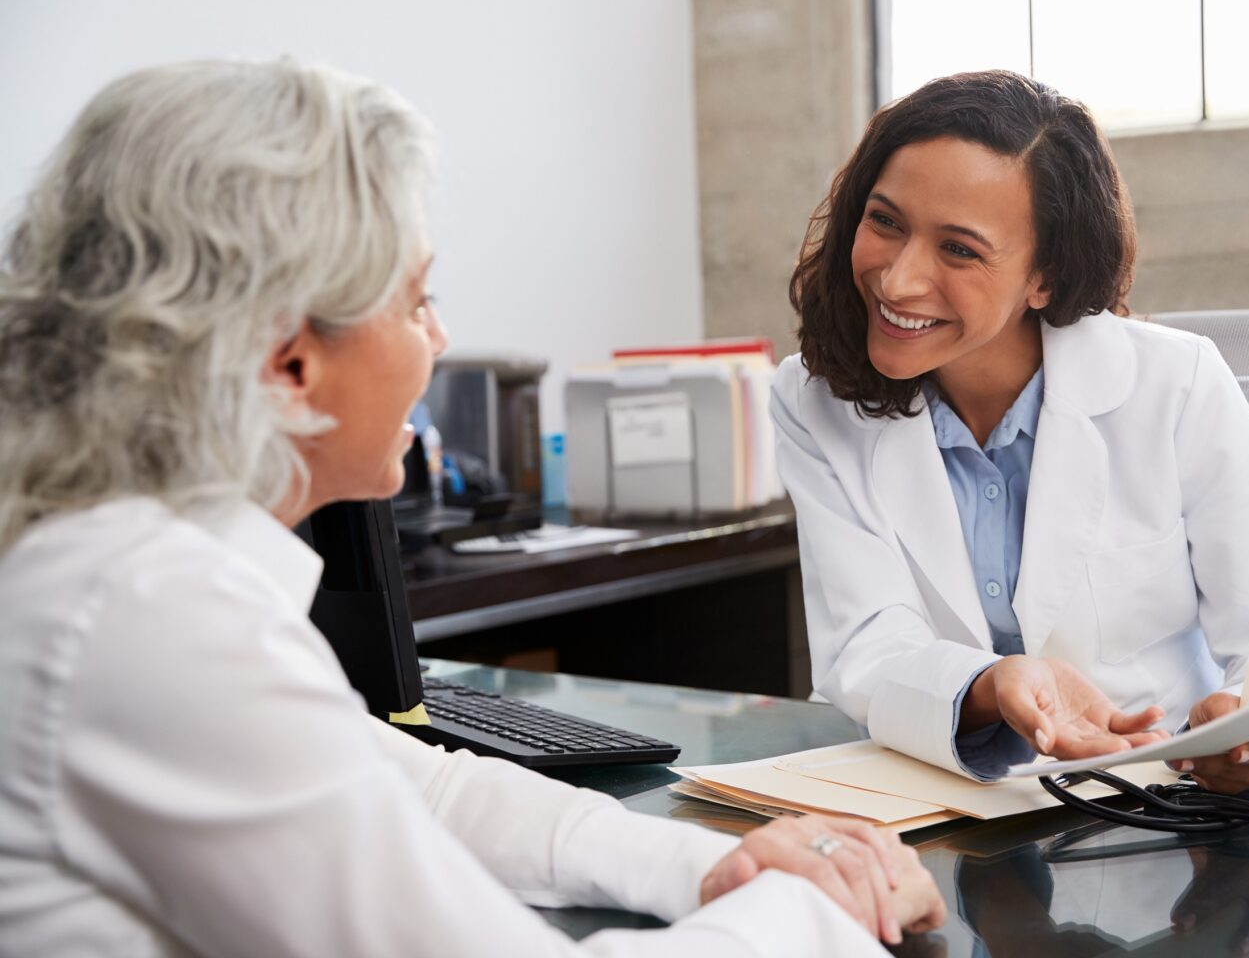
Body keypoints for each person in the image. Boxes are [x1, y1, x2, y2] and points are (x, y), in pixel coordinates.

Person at [0, 59, 944, 956]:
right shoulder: (151, 618)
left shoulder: (120, 564)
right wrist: (813, 909)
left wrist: (717, 865)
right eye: (417, 302)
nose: (440, 338)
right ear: (290, 364)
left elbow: (423, 788)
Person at [771, 70, 1249, 793]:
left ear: (1044, 276)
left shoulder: (1175, 383)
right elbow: (865, 643)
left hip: (1159, 796)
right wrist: (992, 685)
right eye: (886, 222)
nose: (898, 280)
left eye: (959, 250)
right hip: (943, 805)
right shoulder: (811, 398)